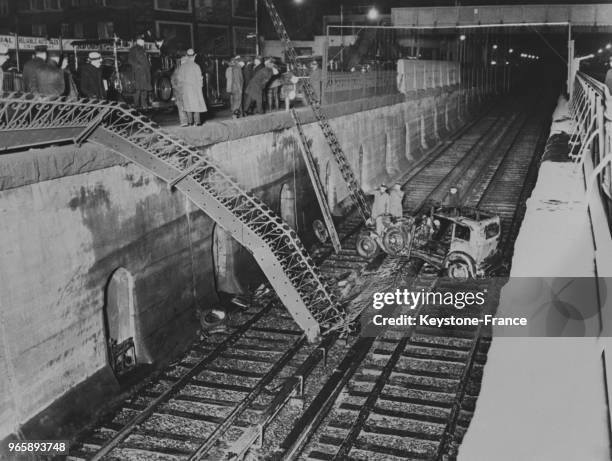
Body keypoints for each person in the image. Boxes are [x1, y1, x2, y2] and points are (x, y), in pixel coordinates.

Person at [176, 49, 207, 126]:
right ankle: (197, 123)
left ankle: (190, 123)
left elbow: (179, 79)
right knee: (196, 106)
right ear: (194, 56)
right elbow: (200, 79)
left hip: (186, 90)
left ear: (187, 56)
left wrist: (182, 88)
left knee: (188, 106)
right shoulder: (196, 66)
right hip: (195, 89)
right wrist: (200, 88)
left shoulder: (182, 67)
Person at [128, 35, 152, 109]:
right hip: (138, 73)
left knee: (144, 89)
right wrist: (138, 66)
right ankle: (136, 105)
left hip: (145, 72)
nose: (143, 42)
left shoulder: (143, 49)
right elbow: (130, 60)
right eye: (142, 40)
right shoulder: (133, 49)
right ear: (138, 41)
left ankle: (144, 104)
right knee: (137, 89)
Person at [171, 55, 188, 126]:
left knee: (181, 107)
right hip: (182, 92)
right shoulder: (182, 70)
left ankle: (184, 122)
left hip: (180, 91)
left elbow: (172, 80)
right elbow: (173, 80)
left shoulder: (177, 70)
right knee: (184, 107)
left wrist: (175, 87)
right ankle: (186, 121)